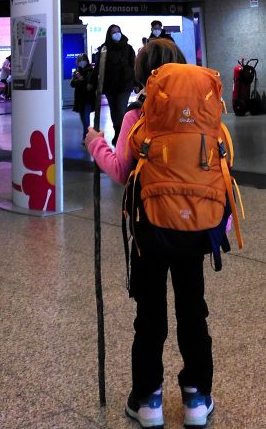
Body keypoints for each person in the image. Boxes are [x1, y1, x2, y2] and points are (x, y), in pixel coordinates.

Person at [85, 38, 218, 429]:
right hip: (194, 227)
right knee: (193, 310)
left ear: (142, 73)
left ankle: (148, 400)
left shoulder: (136, 115)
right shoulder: (205, 112)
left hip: (149, 231)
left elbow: (122, 170)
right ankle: (197, 398)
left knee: (150, 315)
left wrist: (95, 144)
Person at [91, 24, 135, 143]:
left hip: (124, 84)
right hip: (110, 85)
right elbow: (98, 68)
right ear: (109, 35)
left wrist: (136, 83)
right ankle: (117, 132)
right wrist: (93, 82)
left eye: (118, 31)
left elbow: (134, 66)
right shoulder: (104, 49)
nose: (117, 34)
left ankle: (122, 134)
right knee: (114, 111)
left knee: (121, 110)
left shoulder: (128, 48)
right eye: (114, 32)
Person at [70, 52, 94, 143]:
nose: (81, 62)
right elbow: (72, 83)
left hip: (88, 98)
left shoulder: (90, 71)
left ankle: (86, 137)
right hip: (79, 99)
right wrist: (82, 82)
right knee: (83, 118)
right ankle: (87, 135)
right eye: (80, 60)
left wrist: (81, 81)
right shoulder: (77, 71)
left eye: (83, 60)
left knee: (86, 117)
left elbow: (90, 84)